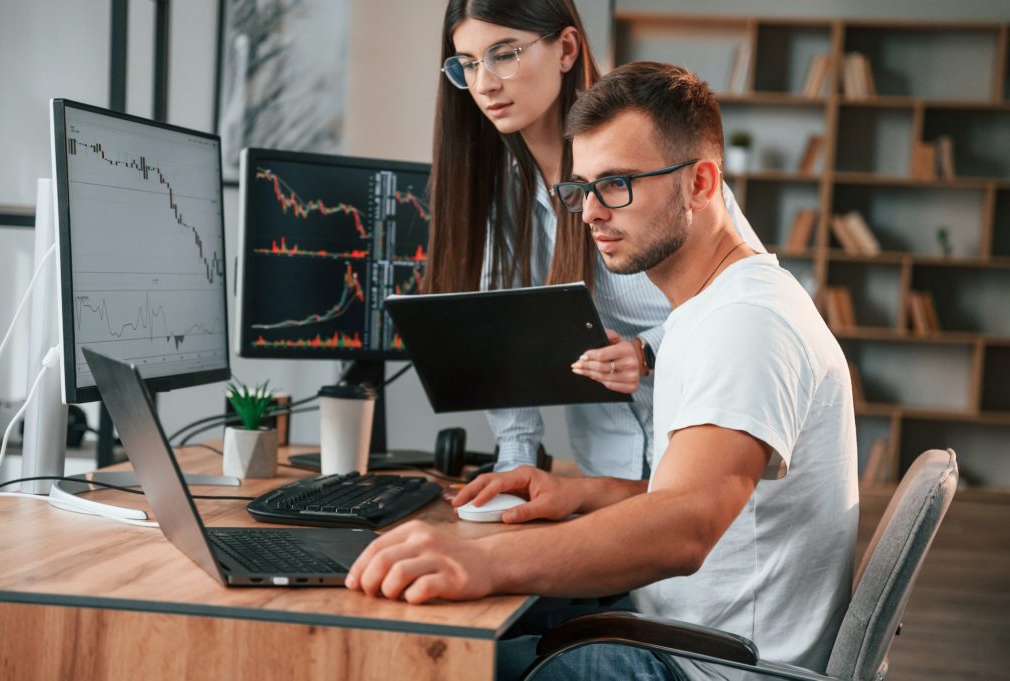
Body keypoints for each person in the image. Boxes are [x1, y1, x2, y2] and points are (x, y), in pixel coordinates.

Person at [348, 62, 859, 681]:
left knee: (411, 665)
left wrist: (488, 560)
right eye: (580, 188)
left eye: (616, 183)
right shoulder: (712, 308)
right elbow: (706, 496)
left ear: (700, 184)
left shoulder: (748, 323)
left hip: (706, 668)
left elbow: (687, 526)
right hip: (682, 634)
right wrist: (582, 493)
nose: (589, 213)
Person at [427, 0, 764, 479]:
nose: (484, 84)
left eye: (503, 54)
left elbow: (743, 297)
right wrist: (516, 462)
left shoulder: (651, 161)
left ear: (566, 49)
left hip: (702, 452)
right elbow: (505, 330)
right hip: (606, 469)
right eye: (468, 64)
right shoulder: (502, 192)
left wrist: (647, 350)